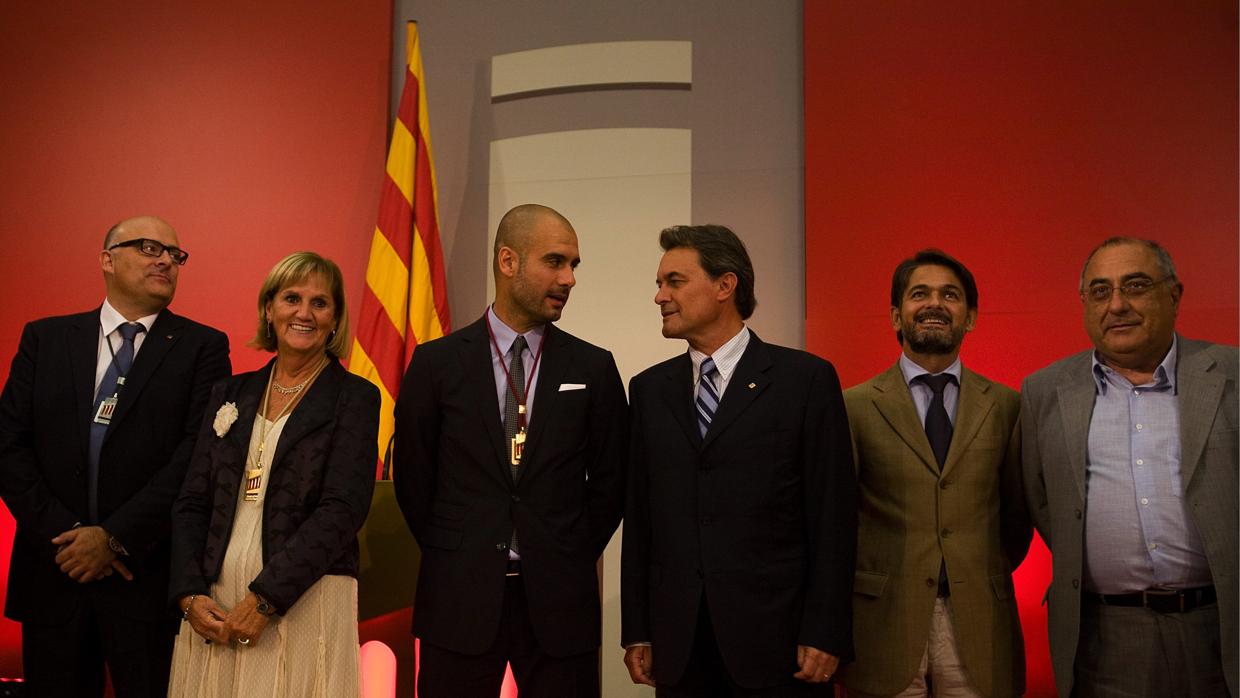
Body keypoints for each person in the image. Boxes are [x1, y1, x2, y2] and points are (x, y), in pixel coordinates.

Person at [393, 204, 627, 698]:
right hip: (458, 599)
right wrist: (458, 546)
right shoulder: (435, 364)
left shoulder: (594, 367)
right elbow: (415, 479)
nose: (569, 279)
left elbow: (612, 483)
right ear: (508, 261)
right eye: (555, 262)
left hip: (559, 604)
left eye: (574, 266)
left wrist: (567, 548)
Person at [621, 224, 856, 696]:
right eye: (659, 284)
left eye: (675, 281)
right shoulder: (648, 390)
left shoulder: (805, 381)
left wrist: (825, 629)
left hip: (780, 643)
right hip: (681, 645)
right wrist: (637, 628)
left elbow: (833, 517)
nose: (660, 296)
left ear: (725, 285)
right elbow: (642, 519)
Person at [0, 216, 230, 697]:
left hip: (144, 579)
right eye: (149, 247)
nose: (166, 259)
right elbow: (9, 445)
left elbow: (195, 457)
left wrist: (114, 538)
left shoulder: (201, 347)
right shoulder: (45, 339)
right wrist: (69, 538)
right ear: (107, 259)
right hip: (54, 573)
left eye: (174, 253)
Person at [1021, 237, 1238, 697]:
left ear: (1174, 295)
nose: (1117, 305)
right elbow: (1039, 498)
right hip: (1103, 638)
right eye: (1100, 291)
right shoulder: (1044, 390)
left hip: (1222, 627)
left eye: (1135, 286)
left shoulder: (1232, 375)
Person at [167, 251, 379, 697]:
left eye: (320, 303)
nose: (304, 313)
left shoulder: (354, 398)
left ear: (335, 317)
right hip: (215, 599)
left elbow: (342, 509)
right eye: (291, 298)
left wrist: (265, 599)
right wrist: (188, 594)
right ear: (269, 309)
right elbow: (192, 501)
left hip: (305, 598)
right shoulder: (230, 392)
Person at [838, 250, 1029, 698]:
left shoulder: (1007, 405)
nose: (934, 304)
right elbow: (840, 520)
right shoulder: (853, 406)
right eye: (918, 294)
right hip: (883, 626)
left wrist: (978, 571)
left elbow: (1018, 514)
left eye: (950, 295)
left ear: (971, 317)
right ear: (895, 315)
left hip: (980, 626)